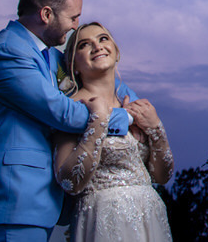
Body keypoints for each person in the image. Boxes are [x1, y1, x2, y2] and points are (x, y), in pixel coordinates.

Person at [0, 0, 137, 242]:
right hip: (9, 205)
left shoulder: (50, 58)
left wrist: (134, 103)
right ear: (46, 14)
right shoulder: (6, 52)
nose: (76, 26)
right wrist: (123, 117)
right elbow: (62, 113)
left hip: (38, 207)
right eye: (73, 17)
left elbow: (97, 77)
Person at [54, 22, 173, 241]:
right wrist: (97, 121)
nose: (97, 47)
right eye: (84, 45)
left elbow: (162, 176)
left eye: (103, 39)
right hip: (104, 219)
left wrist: (156, 128)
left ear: (116, 52)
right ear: (74, 64)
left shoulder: (136, 107)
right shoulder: (70, 107)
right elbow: (69, 182)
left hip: (149, 217)